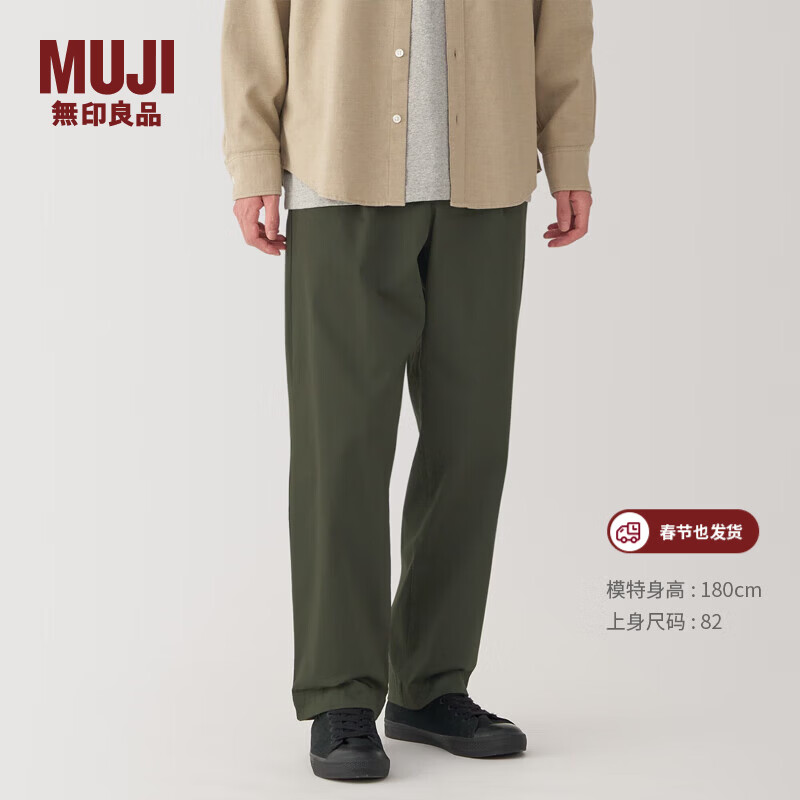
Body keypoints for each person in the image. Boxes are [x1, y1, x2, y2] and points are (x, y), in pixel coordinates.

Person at [221, 0, 595, 781]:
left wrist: (568, 152)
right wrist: (254, 160)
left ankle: (430, 684)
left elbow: (561, 22)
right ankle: (340, 692)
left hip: (488, 174)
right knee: (342, 447)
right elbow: (256, 23)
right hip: (339, 167)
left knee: (472, 443)